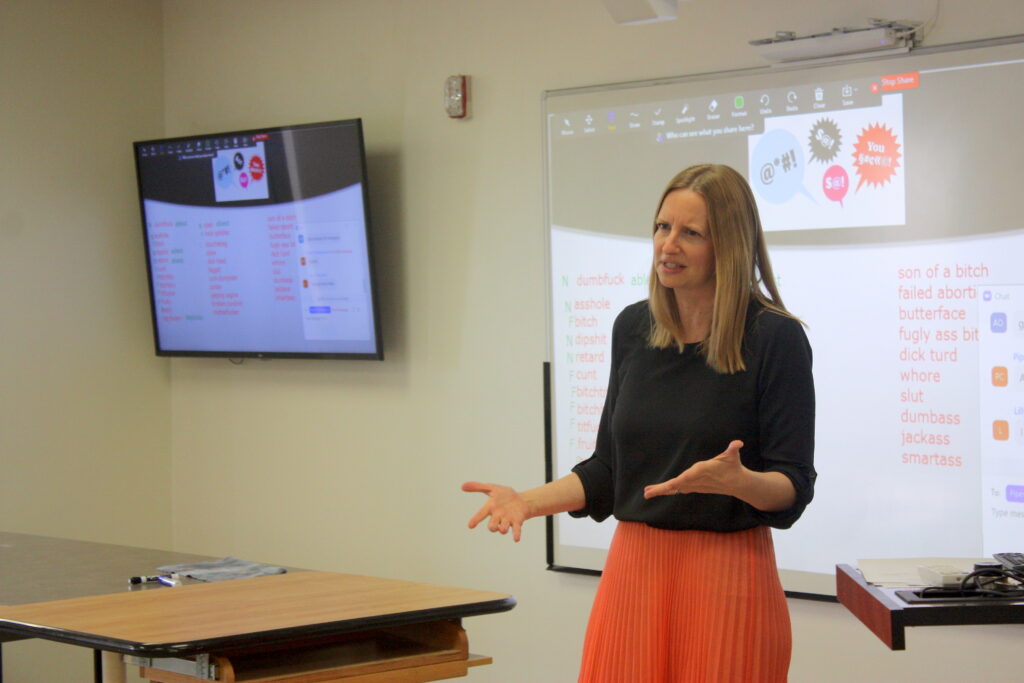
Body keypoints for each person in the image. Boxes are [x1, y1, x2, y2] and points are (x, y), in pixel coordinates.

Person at [463, 163, 815, 682]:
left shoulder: (775, 338)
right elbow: (609, 469)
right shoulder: (633, 328)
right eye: (662, 227)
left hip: (728, 579)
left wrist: (740, 484)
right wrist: (527, 502)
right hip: (634, 573)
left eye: (691, 233)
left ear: (730, 247)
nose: (668, 245)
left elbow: (793, 485)